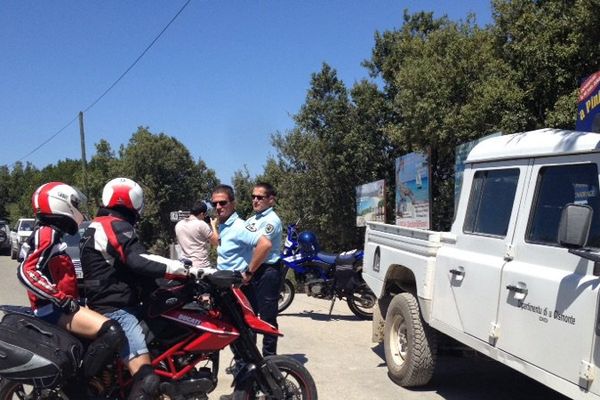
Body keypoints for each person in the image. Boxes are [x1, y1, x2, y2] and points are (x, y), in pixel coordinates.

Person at [80, 177, 189, 400]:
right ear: (135, 201)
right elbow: (138, 261)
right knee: (147, 380)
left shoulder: (98, 224)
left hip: (113, 304)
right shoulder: (112, 224)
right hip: (116, 311)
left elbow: (129, 267)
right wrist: (185, 269)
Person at [17, 182, 126, 382]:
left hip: (57, 307)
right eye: (74, 203)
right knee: (111, 332)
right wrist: (60, 299)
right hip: (52, 310)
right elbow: (26, 271)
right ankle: (81, 387)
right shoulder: (46, 233)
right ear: (59, 204)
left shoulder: (52, 234)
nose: (79, 209)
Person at [210, 184, 272, 400]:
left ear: (233, 203)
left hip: (240, 293)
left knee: (246, 344)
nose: (218, 206)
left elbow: (265, 244)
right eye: (215, 203)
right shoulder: (225, 226)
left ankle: (252, 391)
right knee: (236, 345)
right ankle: (242, 389)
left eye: (223, 203)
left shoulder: (240, 226)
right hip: (226, 294)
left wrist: (248, 272)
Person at [245, 182, 282, 356]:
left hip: (266, 272)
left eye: (260, 197)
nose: (255, 200)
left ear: (271, 200)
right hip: (251, 271)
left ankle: (269, 359)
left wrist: (249, 271)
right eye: (253, 197)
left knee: (267, 318)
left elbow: (262, 247)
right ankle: (250, 358)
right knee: (248, 317)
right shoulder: (252, 220)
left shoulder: (272, 220)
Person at [175, 201, 217, 268]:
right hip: (201, 266)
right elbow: (216, 242)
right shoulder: (201, 225)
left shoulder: (179, 225)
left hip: (184, 265)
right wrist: (213, 225)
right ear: (201, 214)